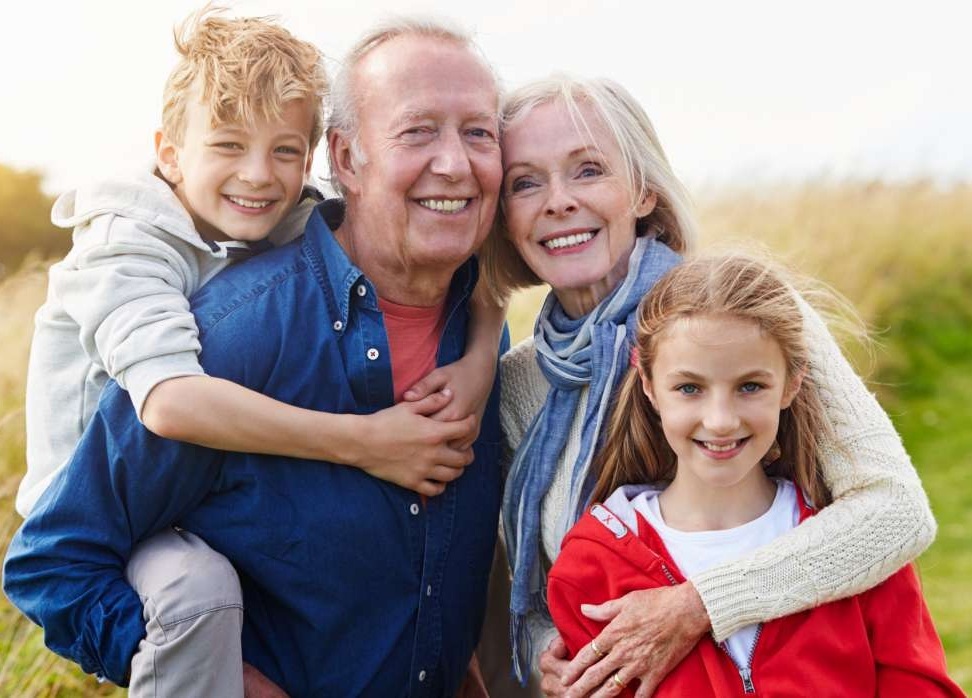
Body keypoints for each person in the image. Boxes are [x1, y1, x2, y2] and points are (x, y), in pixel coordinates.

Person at [5, 16, 505, 698]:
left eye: (478, 132)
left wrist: (485, 341)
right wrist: (218, 680)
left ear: (311, 161)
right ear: (349, 160)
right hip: (101, 481)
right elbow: (59, 555)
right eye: (418, 131)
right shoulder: (195, 309)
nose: (454, 161)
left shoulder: (473, 325)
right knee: (194, 590)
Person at [473, 76, 936, 697]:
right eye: (526, 182)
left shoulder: (743, 321)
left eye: (587, 171)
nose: (558, 201)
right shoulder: (518, 384)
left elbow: (895, 514)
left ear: (643, 191)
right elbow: (537, 583)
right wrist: (549, 661)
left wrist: (697, 606)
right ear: (505, 215)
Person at [545, 254, 963, 696]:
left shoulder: (857, 548)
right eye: (689, 388)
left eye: (750, 387)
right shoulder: (592, 567)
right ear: (648, 384)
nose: (721, 420)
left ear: (793, 383)